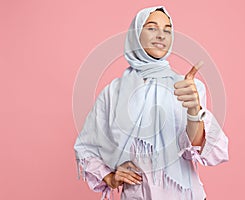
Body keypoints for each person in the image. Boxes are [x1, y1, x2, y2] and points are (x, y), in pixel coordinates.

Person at [74, 6, 229, 200]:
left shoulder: (188, 87)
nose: (161, 35)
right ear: (136, 34)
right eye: (152, 28)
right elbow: (86, 146)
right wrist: (110, 177)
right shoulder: (113, 92)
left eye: (167, 30)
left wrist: (193, 109)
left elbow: (195, 149)